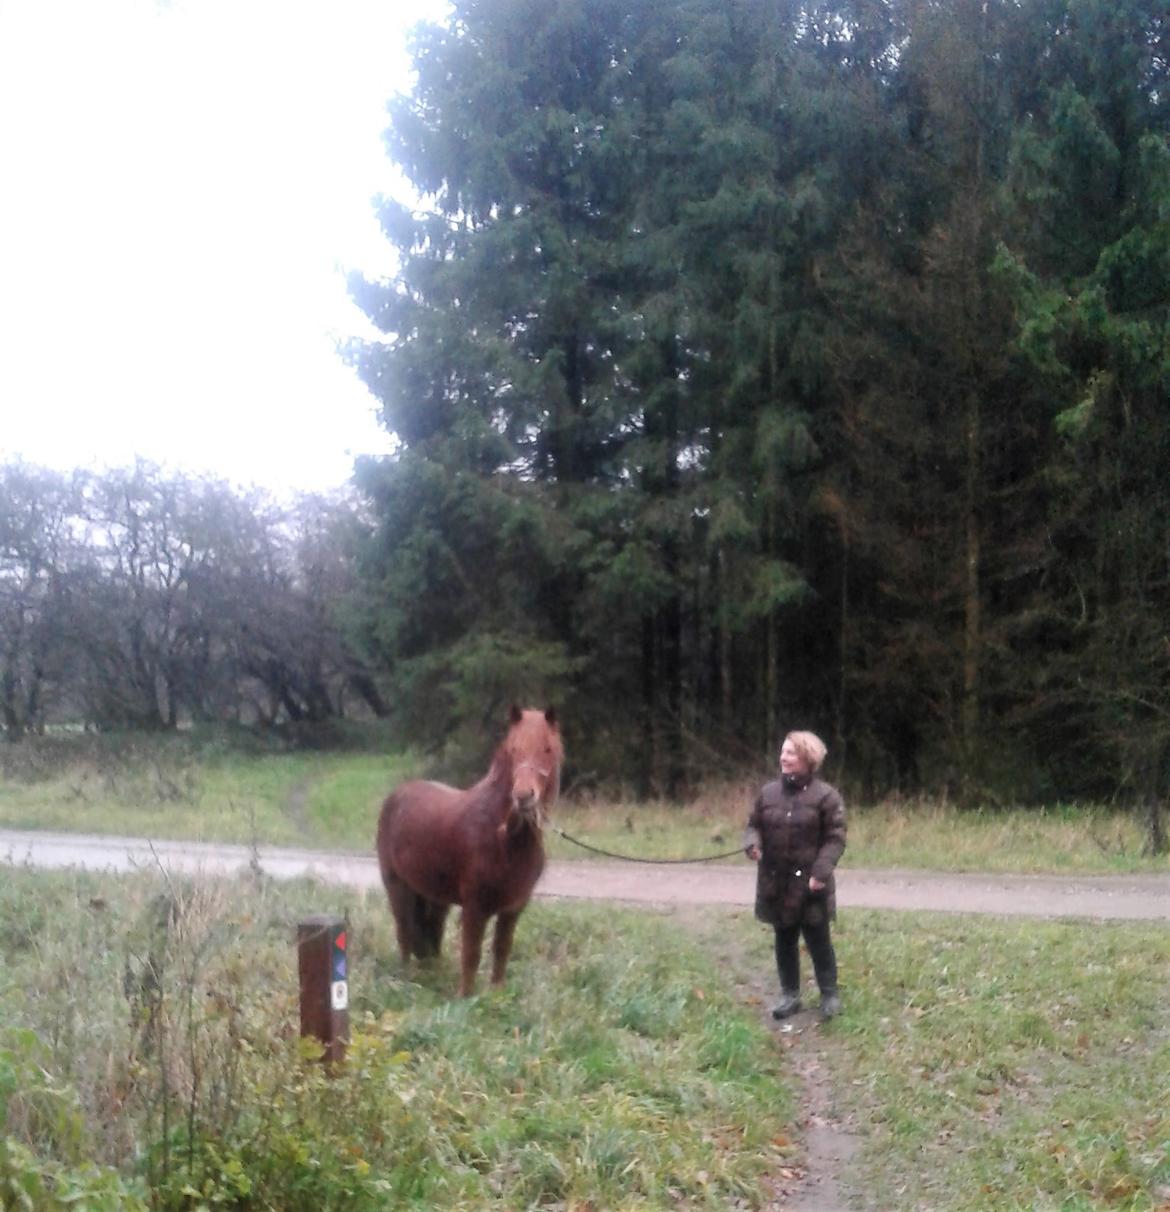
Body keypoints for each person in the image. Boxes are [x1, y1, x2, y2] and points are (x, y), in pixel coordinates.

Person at [744, 730, 846, 1020]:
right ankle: (790, 994)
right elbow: (753, 826)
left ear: (807, 758)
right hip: (776, 882)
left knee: (818, 940)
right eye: (783, 751)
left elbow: (835, 839)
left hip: (812, 883)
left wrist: (821, 872)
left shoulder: (827, 797)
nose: (783, 757)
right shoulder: (768, 793)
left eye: (790, 753)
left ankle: (830, 994)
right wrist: (752, 844)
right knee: (784, 939)